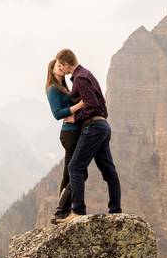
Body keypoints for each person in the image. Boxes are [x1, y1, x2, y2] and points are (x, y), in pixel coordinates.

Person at [53, 48, 121, 224]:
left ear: (67, 64)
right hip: (103, 126)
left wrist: (76, 117)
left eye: (61, 65)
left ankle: (78, 211)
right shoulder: (87, 74)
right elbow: (101, 104)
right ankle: (115, 210)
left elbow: (91, 104)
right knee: (108, 171)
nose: (61, 68)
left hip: (93, 127)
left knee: (75, 167)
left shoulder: (80, 79)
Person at [45, 59, 85, 224]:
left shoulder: (64, 86)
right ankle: (61, 210)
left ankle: (62, 212)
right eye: (58, 65)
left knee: (69, 173)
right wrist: (80, 105)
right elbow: (57, 113)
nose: (61, 68)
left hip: (74, 132)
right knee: (78, 171)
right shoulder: (53, 88)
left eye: (62, 65)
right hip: (69, 135)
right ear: (52, 68)